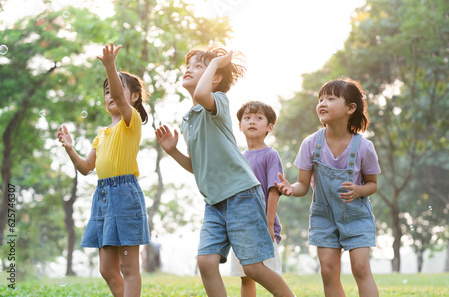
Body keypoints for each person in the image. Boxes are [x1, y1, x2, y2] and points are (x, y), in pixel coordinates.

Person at [155, 44, 294, 297]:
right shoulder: (187, 120)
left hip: (241, 194)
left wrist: (216, 63)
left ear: (215, 76)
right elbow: (197, 168)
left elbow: (201, 92)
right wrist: (173, 151)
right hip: (214, 201)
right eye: (189, 66)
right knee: (206, 262)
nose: (189, 69)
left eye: (199, 66)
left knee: (252, 267)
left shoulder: (217, 102)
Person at [57, 43, 150, 297]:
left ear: (133, 97)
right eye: (106, 91)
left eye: (117, 90)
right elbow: (87, 168)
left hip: (125, 197)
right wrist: (70, 148)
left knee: (128, 267)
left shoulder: (131, 123)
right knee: (107, 269)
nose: (111, 95)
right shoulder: (102, 134)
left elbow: (120, 100)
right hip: (103, 197)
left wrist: (110, 66)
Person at [275, 78, 380, 297]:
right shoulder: (311, 144)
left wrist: (359, 190)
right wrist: (290, 189)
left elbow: (372, 184)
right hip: (324, 216)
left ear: (350, 108)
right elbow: (303, 185)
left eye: (331, 98)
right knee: (328, 271)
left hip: (356, 216)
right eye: (320, 98)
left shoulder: (364, 147)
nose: (322, 103)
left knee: (360, 268)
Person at [230, 101, 284, 297]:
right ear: (240, 125)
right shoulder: (238, 157)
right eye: (247, 118)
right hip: (241, 227)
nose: (252, 121)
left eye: (258, 118)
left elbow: (274, 190)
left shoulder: (270, 155)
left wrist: (269, 224)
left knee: (269, 273)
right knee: (246, 275)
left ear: (269, 127)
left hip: (263, 227)